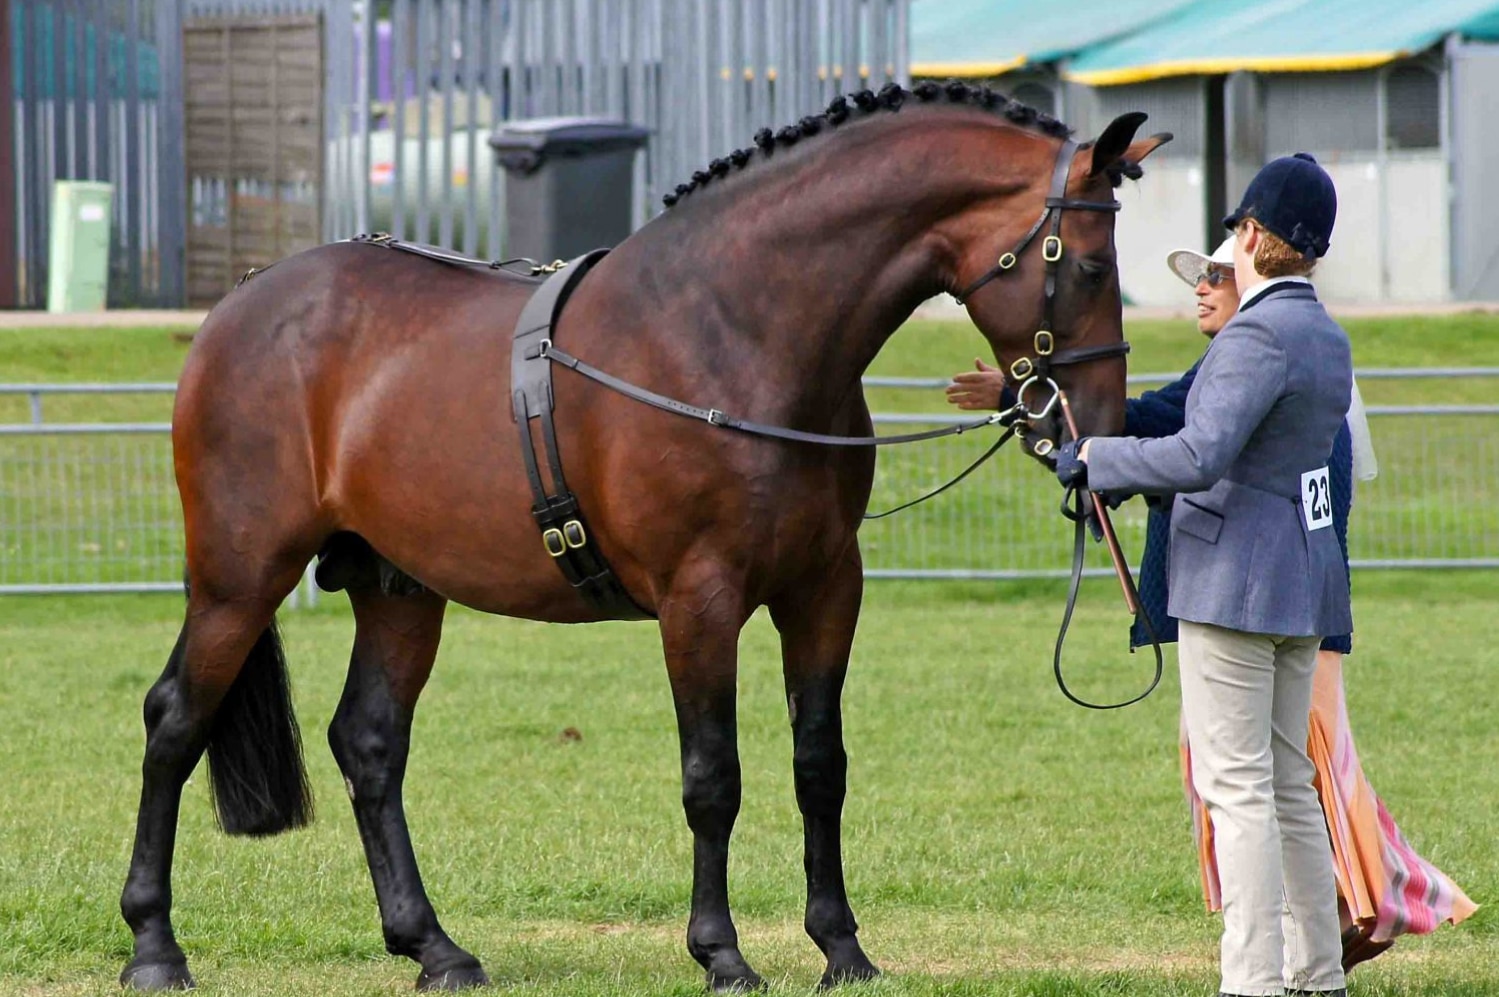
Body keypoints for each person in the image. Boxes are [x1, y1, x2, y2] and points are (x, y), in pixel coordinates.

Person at [1059, 153, 1354, 997]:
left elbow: (1198, 453)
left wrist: (1093, 458)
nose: (1232, 240)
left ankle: (1252, 980)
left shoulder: (1256, 333)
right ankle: (1314, 972)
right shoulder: (1324, 333)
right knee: (1286, 782)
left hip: (1236, 583)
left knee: (1238, 790)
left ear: (1256, 236)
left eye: (1237, 228)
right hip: (1299, 582)